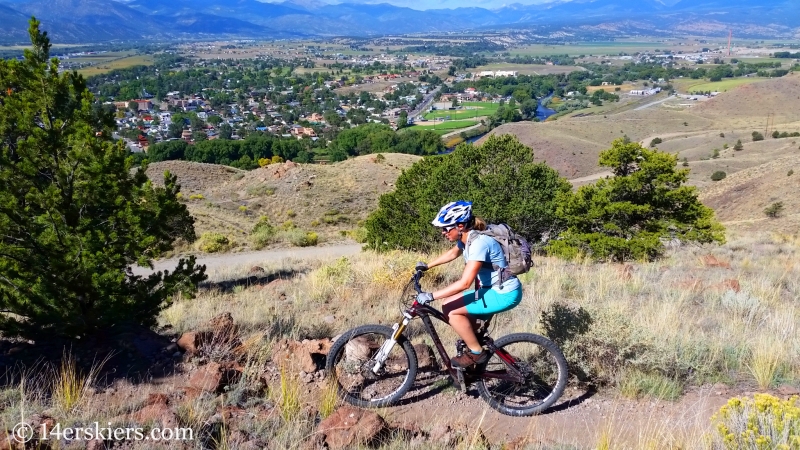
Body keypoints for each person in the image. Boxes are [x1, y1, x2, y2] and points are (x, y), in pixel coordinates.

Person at [415, 201, 522, 368]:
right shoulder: (468, 239)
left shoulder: (479, 243)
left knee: (452, 311)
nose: (443, 232)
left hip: (503, 293)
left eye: (446, 228)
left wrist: (431, 295)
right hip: (491, 290)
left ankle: (476, 353)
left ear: (460, 225)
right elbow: (453, 253)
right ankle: (474, 343)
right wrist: (427, 266)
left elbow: (465, 283)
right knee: (449, 305)